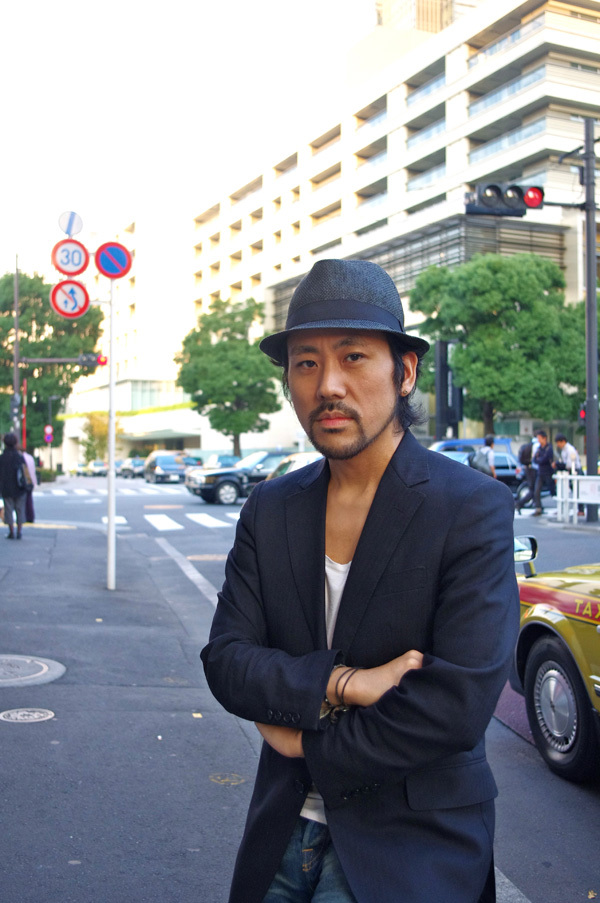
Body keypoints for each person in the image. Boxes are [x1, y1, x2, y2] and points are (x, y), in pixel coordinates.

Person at [201, 258, 519, 903]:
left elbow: (454, 706)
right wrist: (343, 683)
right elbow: (227, 660)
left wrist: (302, 738)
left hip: (411, 842)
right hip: (280, 830)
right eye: (306, 363)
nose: (328, 385)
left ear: (405, 371)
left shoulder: (469, 507)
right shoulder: (271, 507)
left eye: (353, 357)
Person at [0, 432, 28, 539]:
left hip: (6, 488)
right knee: (20, 509)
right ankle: (19, 531)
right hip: (20, 487)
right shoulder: (19, 457)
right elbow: (25, 472)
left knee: (8, 510)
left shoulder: (2, 458)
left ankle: (11, 531)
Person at [554, 433, 584, 515]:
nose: (557, 445)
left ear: (563, 441)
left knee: (577, 491)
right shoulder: (564, 450)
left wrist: (559, 465)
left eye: (558, 443)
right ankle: (566, 509)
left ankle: (581, 510)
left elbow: (569, 464)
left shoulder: (570, 449)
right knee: (572, 491)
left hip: (575, 471)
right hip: (570, 471)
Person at [530, 429, 554, 516]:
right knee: (537, 490)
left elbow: (545, 459)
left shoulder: (549, 448)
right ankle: (538, 508)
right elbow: (534, 459)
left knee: (552, 490)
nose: (538, 440)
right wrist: (539, 460)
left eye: (539, 438)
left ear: (544, 438)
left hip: (548, 472)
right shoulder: (539, 448)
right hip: (540, 472)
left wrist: (539, 459)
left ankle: (560, 507)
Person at [21, 446, 38, 523]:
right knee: (29, 500)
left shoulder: (21, 458)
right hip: (30, 481)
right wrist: (34, 482)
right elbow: (33, 471)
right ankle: (30, 516)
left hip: (24, 482)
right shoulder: (30, 457)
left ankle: (24, 517)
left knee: (22, 501)